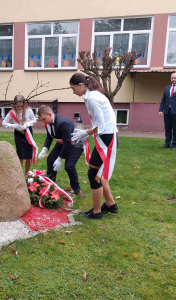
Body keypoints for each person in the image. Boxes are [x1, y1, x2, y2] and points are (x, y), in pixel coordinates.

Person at [69, 73, 118, 219]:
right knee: (97, 173)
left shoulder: (92, 98)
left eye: (73, 88)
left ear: (80, 85)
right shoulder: (93, 95)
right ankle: (110, 204)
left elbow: (101, 126)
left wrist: (85, 133)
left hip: (106, 137)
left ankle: (97, 212)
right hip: (106, 136)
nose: (73, 92)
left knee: (94, 175)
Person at [37, 105, 84, 198]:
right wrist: (44, 149)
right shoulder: (48, 122)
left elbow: (67, 143)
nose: (43, 121)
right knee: (50, 159)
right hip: (63, 141)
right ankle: (50, 185)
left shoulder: (63, 123)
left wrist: (59, 159)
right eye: (41, 119)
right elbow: (49, 136)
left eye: (44, 119)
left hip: (75, 143)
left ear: (50, 114)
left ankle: (77, 189)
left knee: (69, 166)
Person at [2, 95, 38, 175]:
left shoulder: (28, 110)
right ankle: (19, 175)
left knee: (29, 156)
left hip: (28, 132)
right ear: (14, 104)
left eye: (21, 106)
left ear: (24, 104)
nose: (19, 108)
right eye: (17, 106)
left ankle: (26, 175)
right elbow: (4, 123)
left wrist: (27, 124)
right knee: (20, 156)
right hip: (19, 134)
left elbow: (34, 119)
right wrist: (14, 126)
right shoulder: (12, 112)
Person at [159, 71, 176, 150]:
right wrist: (160, 110)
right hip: (167, 111)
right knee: (167, 128)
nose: (173, 79)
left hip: (175, 112)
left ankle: (174, 145)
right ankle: (167, 143)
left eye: (175, 78)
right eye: (172, 78)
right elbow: (163, 100)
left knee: (175, 129)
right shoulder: (167, 88)